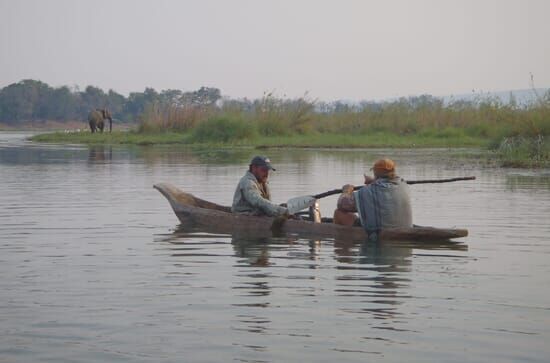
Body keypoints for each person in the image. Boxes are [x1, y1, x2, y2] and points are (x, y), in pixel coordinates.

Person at [333, 159, 412, 237]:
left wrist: (347, 191)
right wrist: (373, 181)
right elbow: (386, 186)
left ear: (375, 172)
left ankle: (342, 242)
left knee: (339, 213)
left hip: (380, 234)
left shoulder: (370, 190)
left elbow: (342, 204)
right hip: (404, 229)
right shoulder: (403, 184)